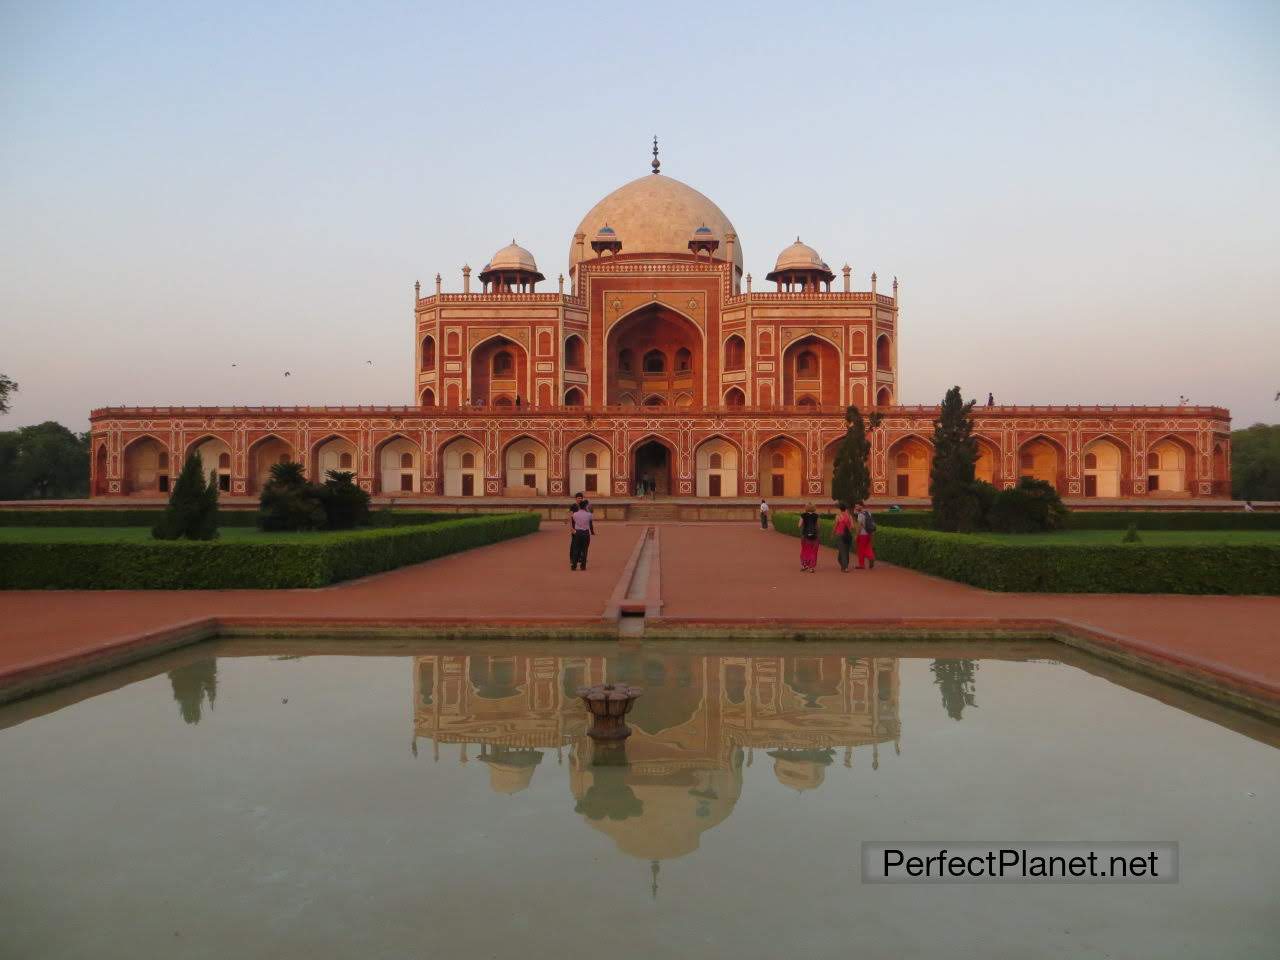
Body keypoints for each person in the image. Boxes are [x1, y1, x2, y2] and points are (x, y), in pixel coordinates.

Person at [569, 501, 594, 571]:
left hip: (578, 533)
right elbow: (591, 519)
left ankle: (574, 565)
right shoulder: (589, 514)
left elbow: (572, 519)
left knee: (576, 549)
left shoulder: (575, 514)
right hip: (586, 533)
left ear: (579, 507)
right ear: (586, 507)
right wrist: (588, 510)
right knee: (585, 550)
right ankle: (583, 566)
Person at [833, 501, 855, 572]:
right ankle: (845, 565)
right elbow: (852, 526)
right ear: (846, 508)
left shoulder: (838, 516)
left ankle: (845, 567)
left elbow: (835, 526)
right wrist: (848, 530)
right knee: (846, 551)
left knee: (842, 551)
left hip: (840, 534)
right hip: (848, 535)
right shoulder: (849, 516)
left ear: (840, 508)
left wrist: (832, 533)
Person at [854, 501, 877, 570]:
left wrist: (856, 535)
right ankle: (871, 557)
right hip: (869, 533)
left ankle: (862, 564)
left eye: (857, 506)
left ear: (861, 506)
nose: (856, 507)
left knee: (861, 550)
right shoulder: (868, 513)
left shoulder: (860, 515)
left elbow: (859, 526)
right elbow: (873, 522)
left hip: (862, 534)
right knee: (868, 547)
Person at [799, 502, 820, 572]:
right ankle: (811, 567)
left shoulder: (803, 515)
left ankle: (804, 565)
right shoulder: (816, 516)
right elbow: (818, 526)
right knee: (813, 551)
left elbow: (799, 525)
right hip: (814, 536)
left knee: (805, 550)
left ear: (806, 508)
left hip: (805, 535)